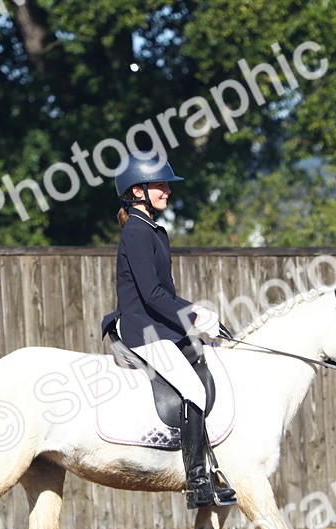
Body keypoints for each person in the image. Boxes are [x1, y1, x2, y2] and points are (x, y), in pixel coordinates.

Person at [99, 153, 236, 509]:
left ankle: (214, 464)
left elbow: (166, 294)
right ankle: (197, 481)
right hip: (142, 329)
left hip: (159, 325)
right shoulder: (136, 232)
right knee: (193, 389)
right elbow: (151, 294)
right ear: (137, 191)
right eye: (160, 185)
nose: (167, 191)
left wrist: (200, 313)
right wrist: (192, 317)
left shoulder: (153, 230)